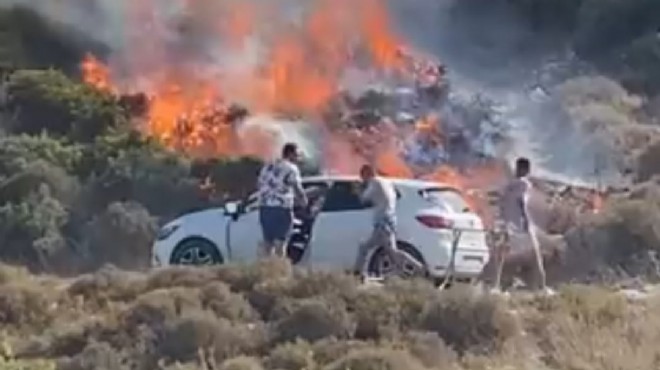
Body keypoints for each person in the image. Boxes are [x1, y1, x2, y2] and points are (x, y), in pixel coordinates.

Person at [492, 157, 552, 294]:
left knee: (502, 256)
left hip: (508, 225)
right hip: (521, 225)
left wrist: (502, 221)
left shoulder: (509, 186)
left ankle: (496, 286)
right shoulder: (524, 184)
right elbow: (522, 203)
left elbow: (502, 204)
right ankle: (542, 287)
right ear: (527, 170)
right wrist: (527, 222)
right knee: (536, 255)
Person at [353, 164, 424, 279]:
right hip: (390, 219)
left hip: (382, 222)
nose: (363, 179)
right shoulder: (387, 182)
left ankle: (359, 274)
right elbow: (397, 194)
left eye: (363, 176)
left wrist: (357, 189)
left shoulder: (374, 182)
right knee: (391, 251)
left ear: (367, 174)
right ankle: (414, 268)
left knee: (367, 248)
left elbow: (364, 199)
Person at [257, 143, 307, 258]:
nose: (298, 158)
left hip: (265, 208)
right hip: (282, 209)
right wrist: (304, 201)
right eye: (297, 155)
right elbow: (297, 187)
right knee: (281, 243)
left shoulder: (268, 166)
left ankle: (266, 268)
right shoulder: (291, 168)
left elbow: (260, 185)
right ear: (290, 154)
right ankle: (280, 269)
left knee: (268, 242)